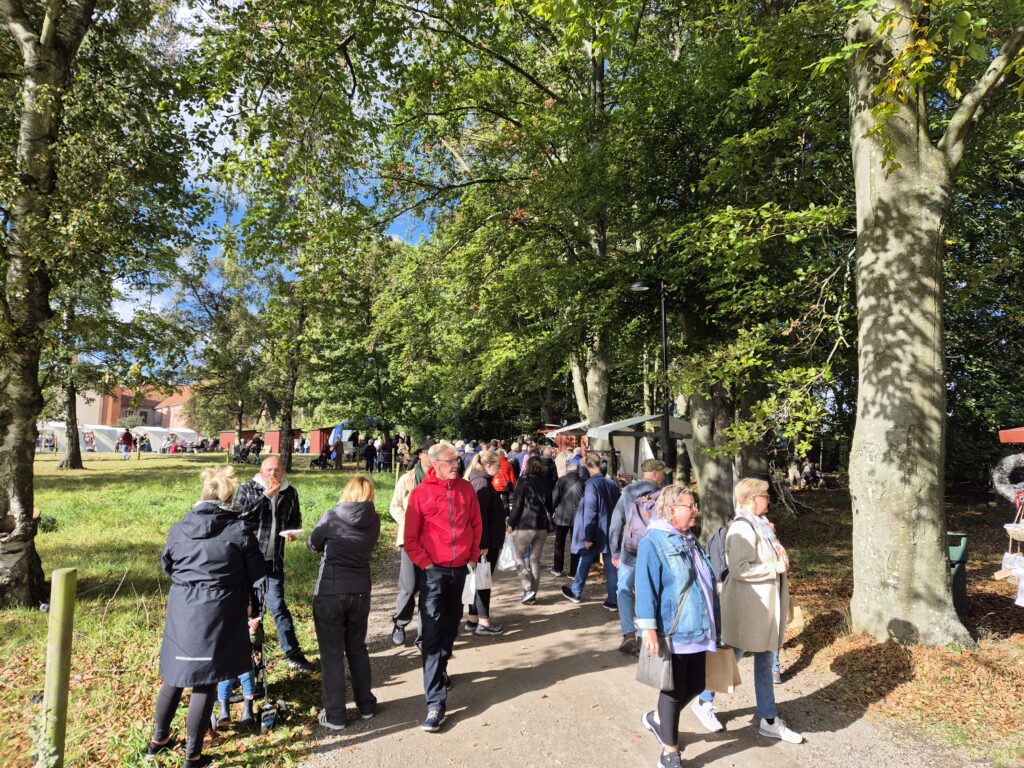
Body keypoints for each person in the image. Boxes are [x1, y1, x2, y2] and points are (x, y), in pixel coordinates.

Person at [145, 466, 266, 766]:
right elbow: (258, 571)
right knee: (206, 680)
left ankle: (157, 741)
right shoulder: (238, 530)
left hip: (183, 607)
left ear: (203, 495)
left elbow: (168, 566)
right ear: (229, 497)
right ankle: (192, 756)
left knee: (174, 676)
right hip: (220, 609)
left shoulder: (179, 528)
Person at [691, 478, 803, 743]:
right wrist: (773, 568)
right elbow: (740, 569)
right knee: (732, 656)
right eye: (765, 495)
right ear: (752, 499)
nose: (769, 499)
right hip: (746, 607)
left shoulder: (761, 525)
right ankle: (704, 700)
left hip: (762, 607)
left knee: (764, 660)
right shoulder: (742, 528)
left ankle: (768, 718)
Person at [635, 485, 719, 768]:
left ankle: (659, 719)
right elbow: (645, 587)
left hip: (699, 625)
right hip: (673, 628)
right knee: (672, 690)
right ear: (672, 511)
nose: (695, 510)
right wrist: (648, 629)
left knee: (696, 684)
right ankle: (669, 752)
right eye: (690, 505)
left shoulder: (688, 538)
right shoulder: (654, 541)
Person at [403, 441, 482, 732]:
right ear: (435, 464)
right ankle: (435, 702)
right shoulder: (421, 494)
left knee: (451, 627)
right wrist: (426, 564)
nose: (456, 465)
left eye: (457, 461)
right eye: (451, 462)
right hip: (433, 572)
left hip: (460, 570)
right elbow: (410, 537)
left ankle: (441, 667)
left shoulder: (465, 489)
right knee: (433, 633)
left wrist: (473, 555)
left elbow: (475, 523)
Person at [307, 475, 381, 729]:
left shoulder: (332, 516)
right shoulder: (374, 520)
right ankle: (366, 704)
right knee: (357, 648)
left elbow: (313, 545)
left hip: (331, 590)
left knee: (332, 655)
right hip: (360, 590)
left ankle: (336, 714)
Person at [235, 456, 316, 672]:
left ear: (284, 471)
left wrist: (292, 531)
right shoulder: (248, 489)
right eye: (269, 470)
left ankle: (293, 654)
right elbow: (239, 516)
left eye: (277, 470)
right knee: (250, 613)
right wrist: (266, 497)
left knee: (278, 606)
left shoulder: (290, 492)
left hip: (274, 561)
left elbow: (295, 518)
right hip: (248, 563)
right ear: (261, 471)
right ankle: (248, 662)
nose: (273, 474)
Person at [609, 458, 667, 653]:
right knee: (648, 591)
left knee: (623, 590)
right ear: (656, 474)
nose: (664, 475)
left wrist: (615, 551)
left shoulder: (627, 492)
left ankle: (628, 633)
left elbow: (616, 522)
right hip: (654, 551)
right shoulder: (663, 495)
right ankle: (645, 635)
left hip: (630, 549)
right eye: (662, 472)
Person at [389, 439, 434, 645]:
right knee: (409, 586)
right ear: (421, 455)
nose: (431, 457)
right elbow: (394, 506)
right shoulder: (408, 479)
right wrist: (409, 523)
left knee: (429, 588)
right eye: (427, 453)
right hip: (410, 540)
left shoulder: (442, 479)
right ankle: (400, 622)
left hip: (434, 542)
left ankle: (424, 636)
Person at [562, 452, 620, 607]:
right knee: (610, 566)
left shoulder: (591, 485)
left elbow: (590, 512)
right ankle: (613, 600)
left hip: (596, 531)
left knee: (585, 560)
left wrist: (588, 537)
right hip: (610, 530)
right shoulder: (612, 483)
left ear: (587, 466)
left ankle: (576, 591)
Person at [464, 450, 505, 635]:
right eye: (498, 465)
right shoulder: (482, 484)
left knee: (477, 580)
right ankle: (483, 622)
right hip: (484, 544)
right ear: (489, 466)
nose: (500, 468)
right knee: (482, 581)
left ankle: (473, 618)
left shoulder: (478, 481)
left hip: (485, 542)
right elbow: (479, 517)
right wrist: (482, 544)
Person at [508, 456, 554, 604]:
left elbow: (517, 504)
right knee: (535, 560)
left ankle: (528, 588)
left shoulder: (524, 480)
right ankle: (532, 595)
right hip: (542, 525)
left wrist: (511, 523)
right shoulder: (546, 482)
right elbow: (551, 505)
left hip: (526, 524)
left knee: (518, 557)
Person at [551, 462, 584, 577]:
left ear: (567, 469)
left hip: (562, 515)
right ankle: (573, 572)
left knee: (559, 542)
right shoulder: (583, 481)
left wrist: (551, 511)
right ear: (578, 469)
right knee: (575, 544)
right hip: (578, 516)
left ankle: (557, 568)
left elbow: (554, 498)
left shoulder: (561, 480)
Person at [490, 442, 516, 513]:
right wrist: (513, 486)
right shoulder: (508, 463)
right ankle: (506, 515)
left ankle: (497, 514)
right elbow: (512, 476)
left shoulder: (493, 463)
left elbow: (491, 475)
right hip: (505, 485)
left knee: (495, 501)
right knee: (505, 501)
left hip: (494, 485)